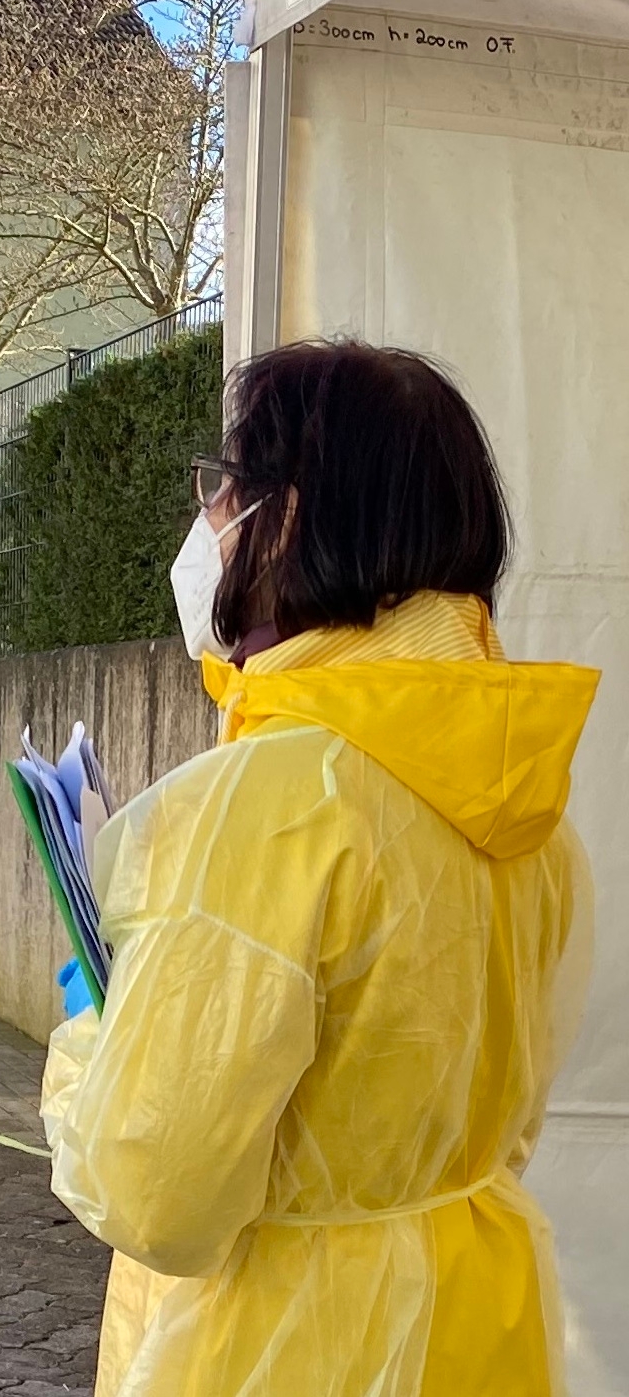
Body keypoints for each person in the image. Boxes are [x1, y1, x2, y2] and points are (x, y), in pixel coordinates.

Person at [40, 342, 596, 1397]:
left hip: (277, 1349)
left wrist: (94, 1026)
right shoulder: (518, 796)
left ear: (285, 518)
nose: (207, 520)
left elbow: (152, 1189)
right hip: (478, 1326)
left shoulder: (258, 806)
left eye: (223, 489)